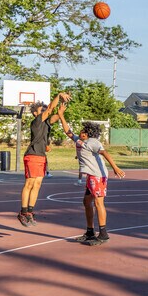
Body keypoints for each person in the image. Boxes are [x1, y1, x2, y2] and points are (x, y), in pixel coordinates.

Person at [58, 103, 125, 245]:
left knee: (99, 203)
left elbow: (105, 152)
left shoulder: (93, 142)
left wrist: (115, 167)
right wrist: (61, 115)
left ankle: (103, 234)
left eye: (83, 130)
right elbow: (67, 131)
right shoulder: (80, 141)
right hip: (91, 176)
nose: (80, 132)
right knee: (86, 202)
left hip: (98, 176)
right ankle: (90, 232)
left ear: (87, 133)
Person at [18, 92, 70, 227]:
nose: (45, 109)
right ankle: (23, 212)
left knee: (37, 185)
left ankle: (29, 212)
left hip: (41, 156)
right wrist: (59, 95)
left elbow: (56, 116)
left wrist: (62, 109)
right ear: (36, 113)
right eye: (42, 109)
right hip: (32, 155)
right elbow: (50, 109)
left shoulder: (47, 122)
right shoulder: (36, 121)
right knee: (29, 184)